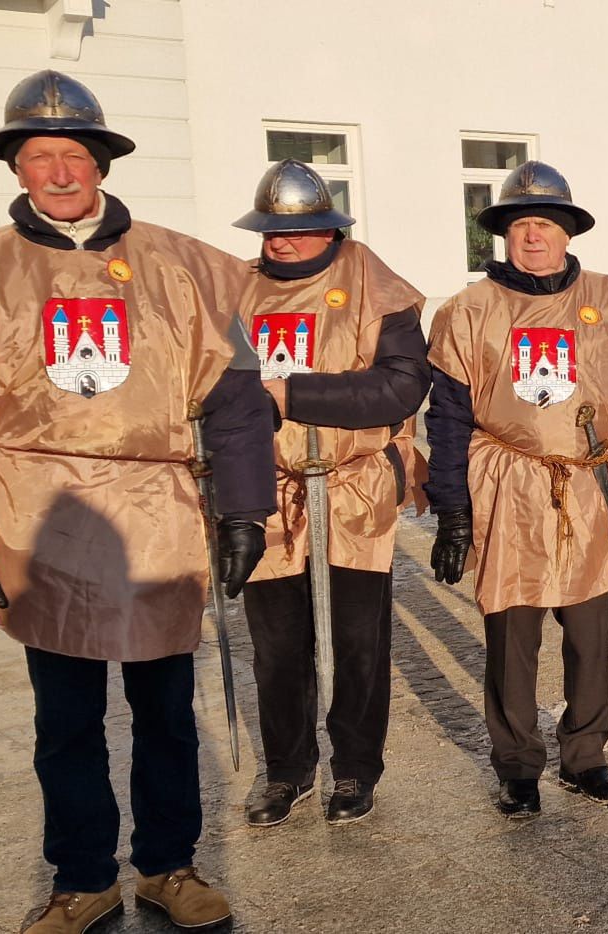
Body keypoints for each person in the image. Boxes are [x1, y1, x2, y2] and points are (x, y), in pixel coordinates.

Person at [0, 70, 270, 933]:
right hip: (38, 515)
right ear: (17, 169)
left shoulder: (187, 269)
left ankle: (169, 866)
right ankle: (83, 875)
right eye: (38, 157)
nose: (59, 172)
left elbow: (239, 403)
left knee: (167, 714)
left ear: (100, 162)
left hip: (156, 513)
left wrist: (246, 509)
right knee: (65, 720)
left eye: (73, 155)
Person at [424, 162, 608, 817]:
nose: (534, 236)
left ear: (567, 231)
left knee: (590, 636)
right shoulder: (470, 310)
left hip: (588, 487)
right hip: (508, 486)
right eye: (522, 224)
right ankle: (518, 764)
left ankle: (586, 756)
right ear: (503, 233)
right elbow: (445, 417)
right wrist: (452, 511)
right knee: (512, 637)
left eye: (546, 224)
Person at [232, 159, 429, 827]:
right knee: (278, 644)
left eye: (298, 230)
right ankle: (288, 769)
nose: (280, 242)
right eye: (271, 231)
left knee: (356, 642)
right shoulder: (237, 291)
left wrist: (292, 394)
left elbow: (400, 387)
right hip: (268, 487)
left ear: (330, 229)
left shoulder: (376, 286)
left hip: (352, 488)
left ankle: (354, 767)